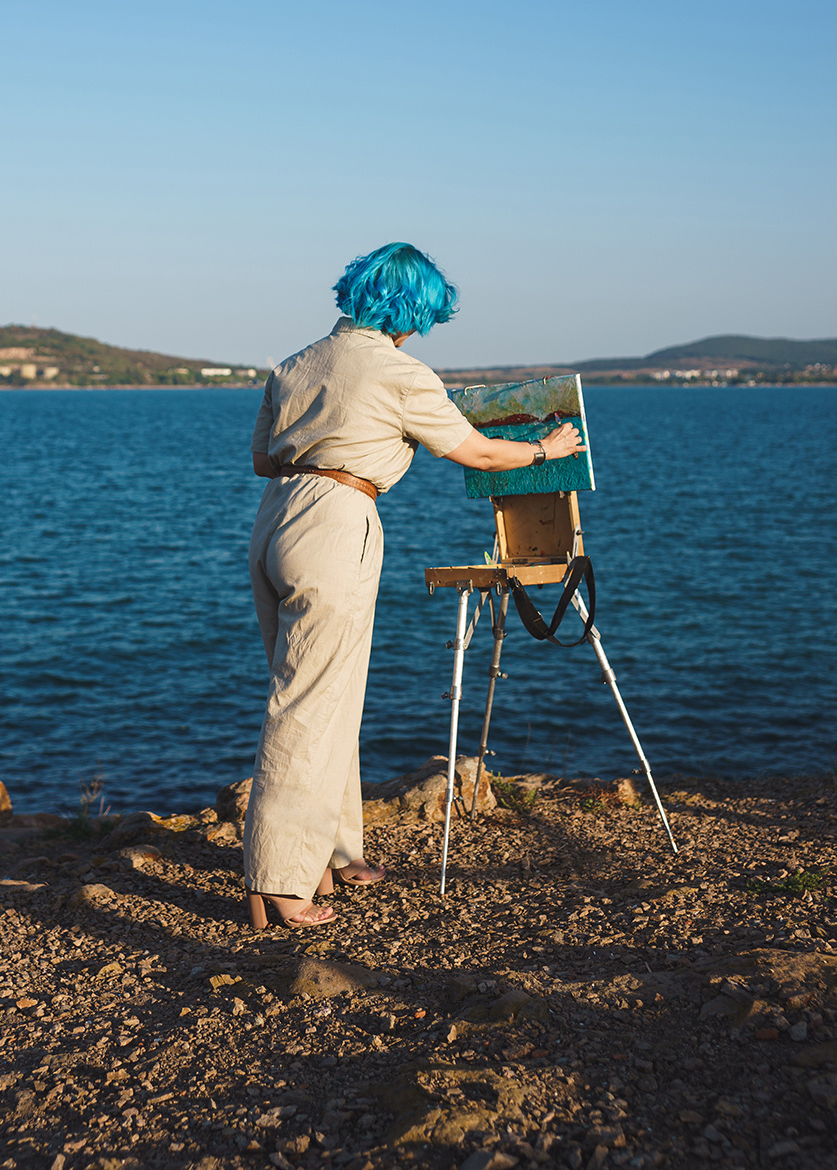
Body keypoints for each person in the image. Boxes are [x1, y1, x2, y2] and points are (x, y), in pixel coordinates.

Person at [243, 242, 585, 928]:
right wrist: (549, 449)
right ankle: (276, 883)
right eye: (425, 314)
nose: (424, 329)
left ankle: (334, 854)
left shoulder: (294, 363)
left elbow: (261, 459)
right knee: (309, 702)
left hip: (276, 518)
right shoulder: (399, 373)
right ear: (408, 307)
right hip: (338, 519)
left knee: (323, 690)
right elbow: (478, 452)